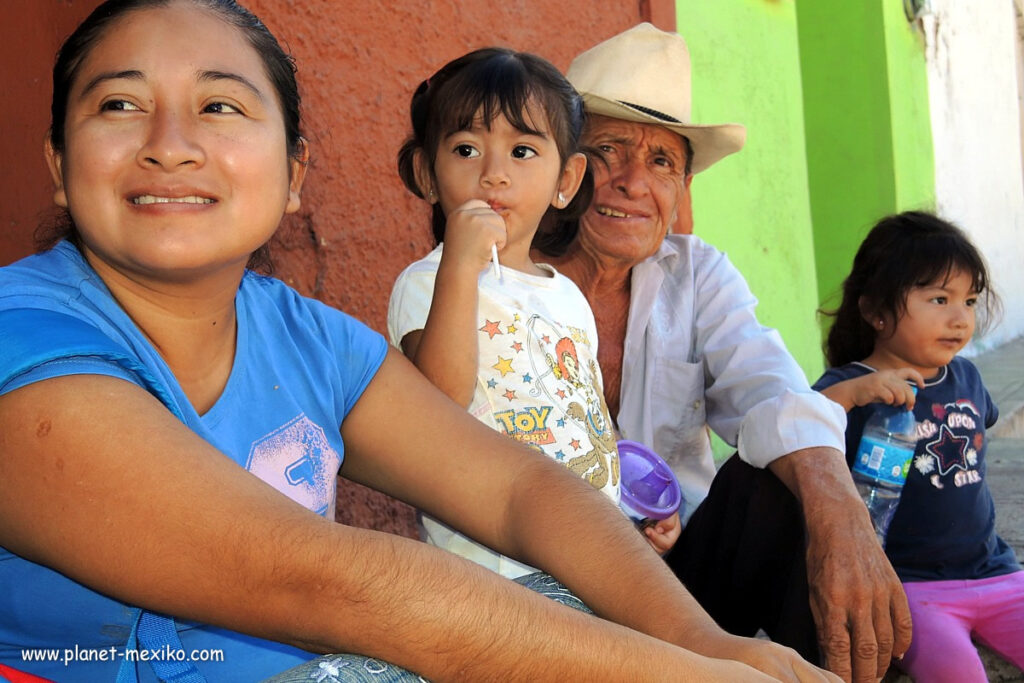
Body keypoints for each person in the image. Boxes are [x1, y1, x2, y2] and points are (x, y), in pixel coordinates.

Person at [0, 1, 837, 681]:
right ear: (60, 163)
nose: (171, 146)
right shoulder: (23, 333)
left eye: (220, 105)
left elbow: (519, 488)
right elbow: (327, 580)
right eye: (120, 105)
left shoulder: (306, 338)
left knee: (573, 594)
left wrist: (706, 641)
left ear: (294, 175)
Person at [540, 22, 913, 682]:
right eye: (609, 150)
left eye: (662, 162)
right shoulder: (500, 282)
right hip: (542, 593)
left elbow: (769, 384)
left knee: (790, 486)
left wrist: (842, 511)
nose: (633, 181)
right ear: (562, 167)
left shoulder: (697, 272)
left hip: (679, 584)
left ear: (681, 188)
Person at [387, 46, 679, 578]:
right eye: (467, 149)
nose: (494, 174)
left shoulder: (566, 296)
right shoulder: (427, 282)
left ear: (565, 182)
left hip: (590, 561)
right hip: (493, 569)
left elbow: (589, 422)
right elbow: (437, 405)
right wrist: (461, 265)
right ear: (428, 174)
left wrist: (632, 509)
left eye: (522, 152)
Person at [813, 211, 1023, 682]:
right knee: (960, 675)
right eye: (939, 299)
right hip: (911, 588)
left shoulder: (964, 375)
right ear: (875, 311)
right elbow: (799, 423)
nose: (959, 318)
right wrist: (852, 396)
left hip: (998, 573)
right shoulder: (852, 385)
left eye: (968, 301)